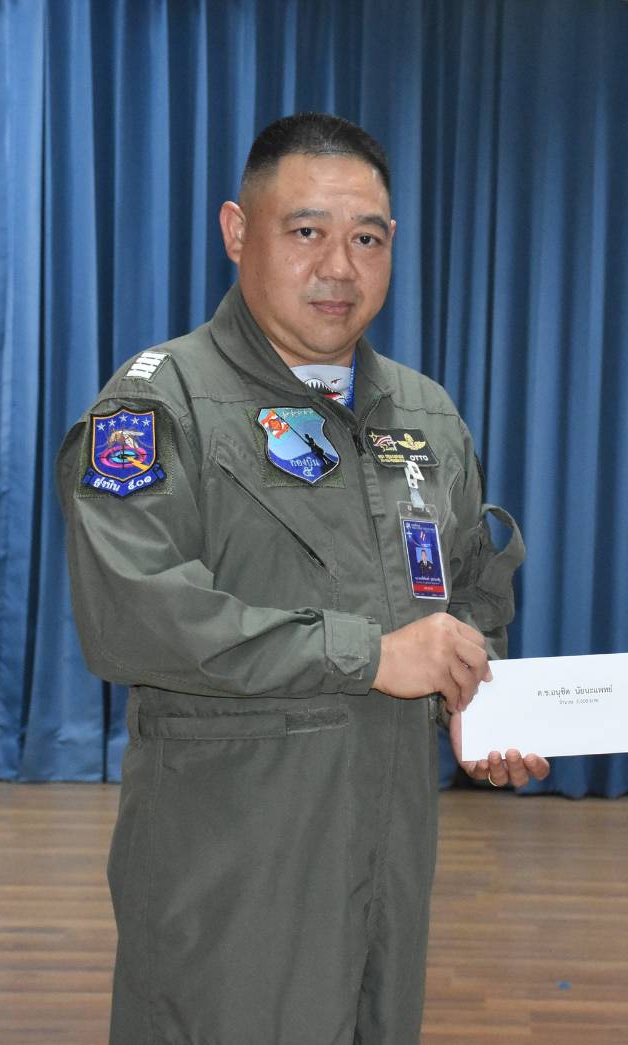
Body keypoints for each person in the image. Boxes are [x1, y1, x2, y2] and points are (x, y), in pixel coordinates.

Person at [56, 112, 548, 1045]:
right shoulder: (159, 402)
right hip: (230, 873)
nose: (339, 268)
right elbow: (133, 614)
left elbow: (470, 590)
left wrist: (473, 698)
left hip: (389, 859)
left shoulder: (425, 415)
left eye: (367, 239)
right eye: (307, 231)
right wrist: (371, 655)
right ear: (237, 231)